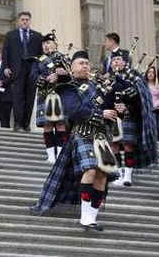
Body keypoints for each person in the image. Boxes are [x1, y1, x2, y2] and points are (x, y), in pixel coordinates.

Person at [31, 50, 119, 231]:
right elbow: (75, 111)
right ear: (72, 67)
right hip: (83, 134)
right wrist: (100, 113)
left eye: (87, 63)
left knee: (102, 175)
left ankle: (91, 219)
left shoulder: (100, 85)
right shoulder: (68, 87)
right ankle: (85, 218)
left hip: (103, 136)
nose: (85, 66)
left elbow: (112, 107)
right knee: (91, 169)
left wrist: (120, 109)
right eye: (81, 63)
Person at [110, 49, 157, 186]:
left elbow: (141, 97)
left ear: (125, 62)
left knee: (128, 145)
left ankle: (128, 176)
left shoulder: (134, 76)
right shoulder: (108, 77)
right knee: (114, 145)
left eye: (118, 60)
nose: (115, 62)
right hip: (113, 115)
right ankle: (119, 175)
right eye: (113, 60)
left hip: (129, 115)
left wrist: (127, 105)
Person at [1, 11, 43, 132]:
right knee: (18, 97)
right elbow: (5, 53)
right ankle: (18, 123)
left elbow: (41, 55)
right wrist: (6, 67)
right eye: (23, 19)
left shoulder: (37, 36)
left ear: (30, 21)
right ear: (18, 21)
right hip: (16, 70)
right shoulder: (10, 35)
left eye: (27, 20)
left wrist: (40, 70)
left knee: (30, 98)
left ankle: (26, 124)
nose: (25, 21)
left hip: (32, 71)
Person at [34, 33, 71, 163]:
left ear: (55, 44)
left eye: (48, 43)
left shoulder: (63, 57)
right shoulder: (39, 59)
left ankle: (60, 154)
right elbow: (33, 75)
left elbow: (71, 75)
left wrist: (61, 75)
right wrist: (44, 79)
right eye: (44, 43)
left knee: (61, 124)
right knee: (47, 124)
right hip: (45, 94)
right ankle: (50, 156)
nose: (45, 45)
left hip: (60, 94)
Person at [145, 66, 159, 141]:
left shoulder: (157, 85)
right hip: (147, 111)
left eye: (153, 72)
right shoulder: (143, 85)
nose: (150, 74)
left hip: (156, 111)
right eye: (149, 72)